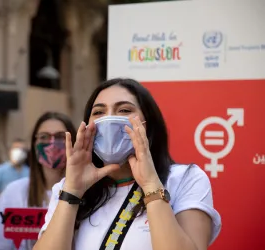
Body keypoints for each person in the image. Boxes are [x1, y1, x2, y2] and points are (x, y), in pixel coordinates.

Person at [33, 78, 222, 250]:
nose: (108, 119)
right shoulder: (66, 188)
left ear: (147, 124)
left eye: (124, 110)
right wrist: (72, 192)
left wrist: (150, 185)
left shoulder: (184, 179)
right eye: (98, 112)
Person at [0, 111, 77, 250]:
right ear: (34, 145)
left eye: (60, 137)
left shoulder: (87, 195)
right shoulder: (13, 193)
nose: (52, 144)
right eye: (44, 137)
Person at [0, 138, 30, 203]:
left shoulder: (29, 172)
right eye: (16, 148)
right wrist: (9, 197)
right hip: (4, 210)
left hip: (24, 211)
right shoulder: (0, 170)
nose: (19, 152)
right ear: (10, 151)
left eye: (22, 150)